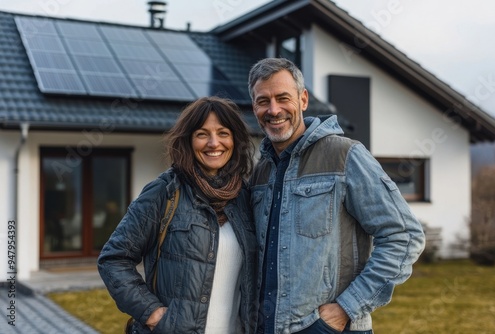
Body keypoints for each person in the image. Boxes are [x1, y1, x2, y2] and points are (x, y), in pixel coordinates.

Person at [247, 58, 426, 334]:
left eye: (283, 98)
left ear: (303, 99)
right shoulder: (260, 172)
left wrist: (346, 309)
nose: (274, 109)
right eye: (263, 101)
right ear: (254, 107)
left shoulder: (345, 156)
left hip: (329, 329)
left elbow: (404, 236)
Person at [97, 96, 258, 334]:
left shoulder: (246, 197)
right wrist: (153, 314)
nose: (214, 143)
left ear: (235, 139)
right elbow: (113, 259)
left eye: (223, 133)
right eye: (202, 134)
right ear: (188, 141)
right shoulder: (165, 192)